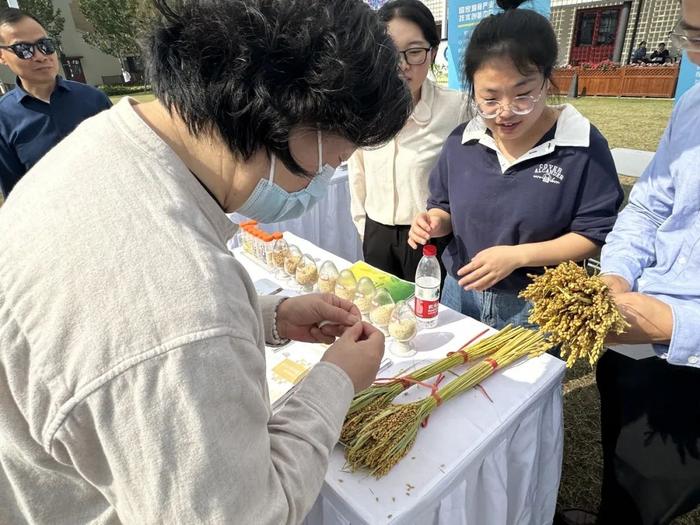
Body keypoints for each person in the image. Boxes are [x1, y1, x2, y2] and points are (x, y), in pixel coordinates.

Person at [0, 0, 412, 523]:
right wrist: (336, 382)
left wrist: (265, 315)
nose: (322, 182)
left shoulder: (107, 141)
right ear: (279, 114)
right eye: (331, 161)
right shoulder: (183, 312)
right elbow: (244, 512)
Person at [408, 0, 623, 330]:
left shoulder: (581, 146)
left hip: (538, 302)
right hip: (460, 290)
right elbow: (443, 206)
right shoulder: (462, 142)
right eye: (490, 99)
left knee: (530, 382)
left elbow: (593, 234)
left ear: (546, 81)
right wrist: (434, 222)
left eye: (522, 95)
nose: (505, 112)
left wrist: (518, 256)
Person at [588, 2, 700, 523]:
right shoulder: (693, 105)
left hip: (680, 335)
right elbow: (649, 204)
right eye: (693, 36)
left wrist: (676, 324)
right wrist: (615, 276)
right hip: (639, 327)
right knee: (629, 472)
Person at [348, 0, 462, 282]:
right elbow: (357, 176)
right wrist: (365, 230)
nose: (401, 66)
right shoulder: (365, 109)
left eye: (414, 52)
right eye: (389, 53)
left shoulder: (458, 109)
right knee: (381, 318)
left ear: (433, 53)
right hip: (376, 235)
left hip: (429, 239)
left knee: (430, 321)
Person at [0, 8, 112, 197]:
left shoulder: (94, 100)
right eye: (24, 50)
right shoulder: (3, 120)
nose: (40, 56)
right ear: (2, 57)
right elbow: (16, 198)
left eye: (44, 45)